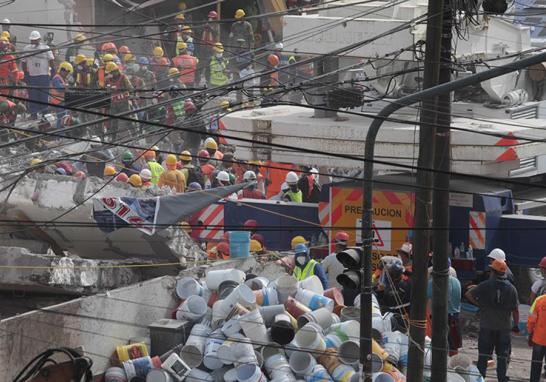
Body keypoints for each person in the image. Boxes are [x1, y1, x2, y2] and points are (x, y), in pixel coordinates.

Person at [465, 259, 519, 382]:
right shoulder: (512, 289)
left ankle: (480, 378)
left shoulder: (485, 285)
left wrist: (479, 304)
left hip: (487, 326)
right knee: (502, 356)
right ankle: (501, 378)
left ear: (492, 271)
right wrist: (515, 325)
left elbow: (468, 294)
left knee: (483, 355)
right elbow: (515, 310)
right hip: (504, 327)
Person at [426, 258, 462, 355]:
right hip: (455, 316)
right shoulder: (457, 282)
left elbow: (426, 298)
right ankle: (452, 366)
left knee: (438, 345)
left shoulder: (433, 282)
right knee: (453, 344)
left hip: (440, 316)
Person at [22, 31, 55, 119]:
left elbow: (51, 60)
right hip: (32, 76)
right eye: (32, 40)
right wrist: (26, 73)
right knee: (33, 96)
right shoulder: (26, 49)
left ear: (39, 39)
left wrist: (53, 71)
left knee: (44, 96)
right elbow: (23, 62)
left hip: (44, 76)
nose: (34, 42)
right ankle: (34, 114)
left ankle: (44, 114)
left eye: (35, 40)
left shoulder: (45, 48)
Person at [105, 62, 134, 142]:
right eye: (109, 73)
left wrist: (119, 89)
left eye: (111, 72)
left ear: (116, 71)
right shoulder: (108, 80)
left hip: (124, 102)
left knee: (128, 120)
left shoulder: (123, 77)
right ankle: (113, 139)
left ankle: (135, 135)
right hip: (114, 103)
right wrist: (108, 89)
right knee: (113, 122)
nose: (110, 74)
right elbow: (106, 91)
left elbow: (130, 88)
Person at [528, 290, 546, 382]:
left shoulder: (539, 300)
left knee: (536, 364)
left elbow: (531, 319)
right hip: (539, 338)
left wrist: (530, 333)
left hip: (539, 338)